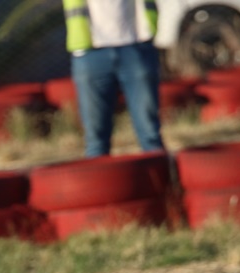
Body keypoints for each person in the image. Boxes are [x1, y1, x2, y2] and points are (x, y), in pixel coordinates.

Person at [64, 0, 165, 157]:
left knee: (150, 133)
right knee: (96, 139)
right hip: (90, 52)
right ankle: (98, 173)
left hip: (136, 45)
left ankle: (159, 171)